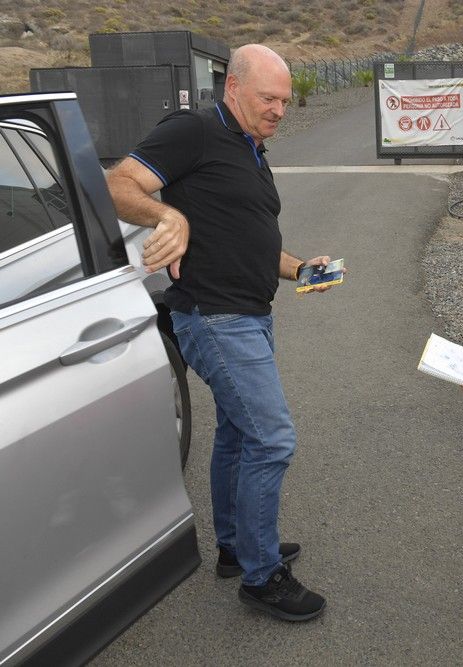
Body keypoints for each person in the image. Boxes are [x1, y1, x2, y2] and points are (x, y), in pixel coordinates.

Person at [106, 44, 328, 622]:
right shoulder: (195, 130)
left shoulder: (252, 148)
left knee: (237, 430)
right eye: (268, 98)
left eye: (285, 100)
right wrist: (166, 215)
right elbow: (117, 185)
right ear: (233, 87)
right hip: (215, 316)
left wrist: (300, 267)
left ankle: (235, 546)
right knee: (272, 438)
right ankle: (261, 575)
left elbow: (246, 233)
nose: (280, 109)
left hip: (251, 311)